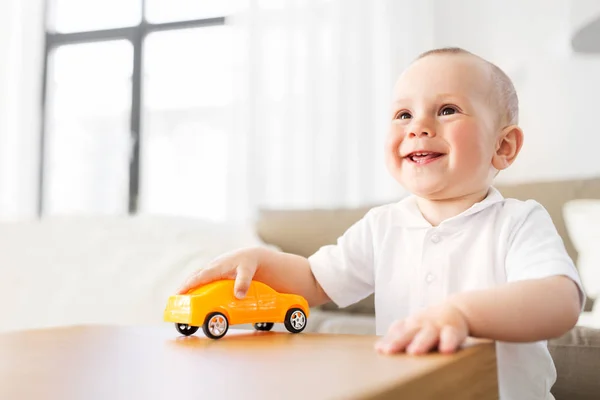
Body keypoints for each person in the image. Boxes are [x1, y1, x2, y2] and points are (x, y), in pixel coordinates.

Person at [177, 47, 584, 399]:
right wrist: (260, 260)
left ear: (503, 145)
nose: (418, 127)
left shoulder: (517, 221)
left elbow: (560, 302)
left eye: (447, 110)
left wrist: (461, 314)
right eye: (403, 114)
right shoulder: (383, 225)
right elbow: (316, 281)